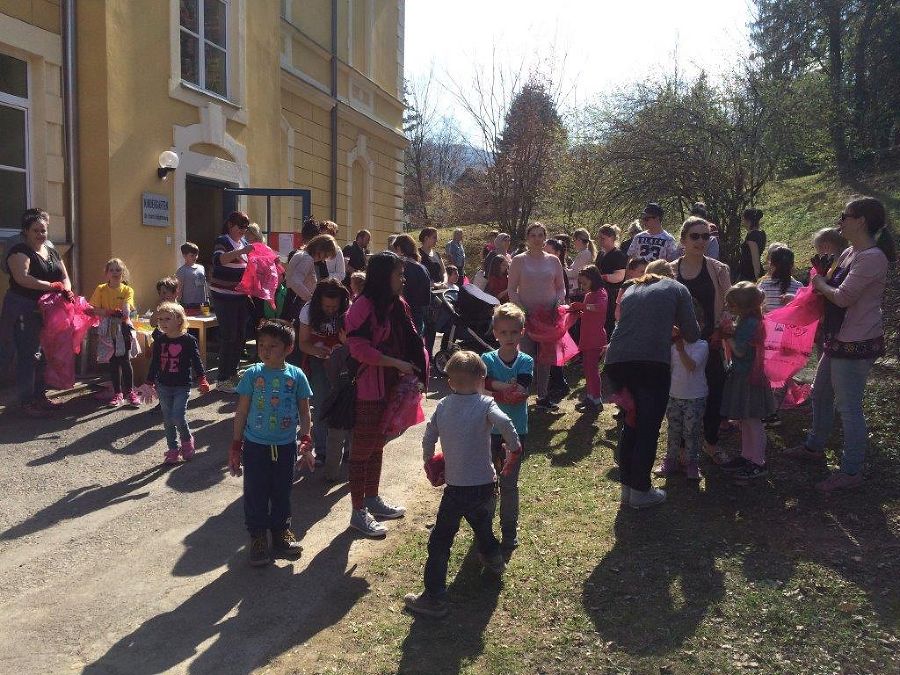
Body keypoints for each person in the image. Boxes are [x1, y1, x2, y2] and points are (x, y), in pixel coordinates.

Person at [786, 197, 896, 493]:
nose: (840, 221)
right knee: (820, 392)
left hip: (856, 342)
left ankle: (851, 470)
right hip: (838, 339)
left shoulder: (872, 257)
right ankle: (815, 446)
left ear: (860, 221)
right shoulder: (849, 251)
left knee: (849, 408)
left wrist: (820, 284)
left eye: (844, 216)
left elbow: (844, 296)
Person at [405, 350, 519, 618]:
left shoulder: (443, 406)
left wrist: (427, 461)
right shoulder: (486, 405)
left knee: (441, 541)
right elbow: (507, 423)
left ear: (450, 382)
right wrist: (513, 448)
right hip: (484, 485)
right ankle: (493, 559)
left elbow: (428, 437)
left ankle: (434, 597)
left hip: (456, 488)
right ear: (483, 378)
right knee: (482, 525)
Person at [344, 252, 428, 537]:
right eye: (398, 274)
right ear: (383, 276)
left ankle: (372, 499)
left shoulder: (396, 304)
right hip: (369, 389)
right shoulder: (362, 306)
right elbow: (359, 349)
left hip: (392, 386)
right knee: (362, 451)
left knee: (378, 445)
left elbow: (411, 337)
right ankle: (357, 512)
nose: (403, 280)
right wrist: (395, 363)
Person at [604, 261, 700, 509]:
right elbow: (692, 333)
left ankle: (627, 487)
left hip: (617, 361)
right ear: (670, 275)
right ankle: (640, 490)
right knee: (648, 427)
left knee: (631, 423)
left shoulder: (632, 289)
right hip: (650, 364)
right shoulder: (677, 288)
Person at [228, 319, 314, 566]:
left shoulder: (296, 376)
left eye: (273, 345)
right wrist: (236, 444)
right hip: (256, 446)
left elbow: (305, 412)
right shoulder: (253, 374)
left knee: (282, 492)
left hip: (285, 446)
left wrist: (306, 437)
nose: (265, 350)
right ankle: (257, 538)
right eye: (261, 344)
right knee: (255, 493)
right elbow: (241, 412)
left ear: (288, 348)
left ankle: (280, 534)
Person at [668, 217, 734, 465]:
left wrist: (721, 330)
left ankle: (711, 443)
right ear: (683, 239)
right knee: (679, 396)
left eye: (706, 237)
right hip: (678, 342)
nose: (701, 241)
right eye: (695, 236)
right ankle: (682, 448)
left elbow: (729, 305)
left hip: (711, 341)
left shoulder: (719, 269)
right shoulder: (669, 270)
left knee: (715, 391)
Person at [0, 208, 72, 417]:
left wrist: (65, 289)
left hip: (46, 309)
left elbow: (64, 275)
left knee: (43, 354)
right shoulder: (19, 250)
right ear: (26, 231)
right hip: (22, 308)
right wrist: (53, 287)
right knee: (27, 355)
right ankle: (26, 401)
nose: (41, 234)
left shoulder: (50, 249)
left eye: (44, 230)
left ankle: (40, 396)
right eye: (36, 231)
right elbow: (22, 278)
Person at [482, 303, 533, 552]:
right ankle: (485, 528)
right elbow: (484, 384)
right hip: (490, 431)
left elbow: (523, 388)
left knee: (509, 484)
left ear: (522, 332)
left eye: (514, 332)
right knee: (489, 481)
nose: (509, 337)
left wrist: (501, 389)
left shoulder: (526, 360)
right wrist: (504, 388)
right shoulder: (487, 359)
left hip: (515, 431)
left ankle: (509, 530)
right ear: (495, 334)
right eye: (504, 333)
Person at [718, 282, 775, 481]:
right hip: (744, 375)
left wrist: (727, 335)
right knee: (745, 420)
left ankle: (758, 461)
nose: (728, 308)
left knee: (752, 420)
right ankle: (747, 456)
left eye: (732, 306)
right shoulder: (748, 320)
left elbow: (740, 350)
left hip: (749, 377)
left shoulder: (750, 323)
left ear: (744, 307)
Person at [507, 222, 566, 411]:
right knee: (527, 357)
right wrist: (523, 310)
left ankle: (542, 396)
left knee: (545, 358)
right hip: (527, 317)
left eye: (541, 235)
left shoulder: (553, 260)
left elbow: (560, 287)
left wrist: (557, 302)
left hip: (548, 317)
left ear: (545, 237)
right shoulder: (518, 260)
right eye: (533, 235)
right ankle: (522, 395)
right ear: (527, 237)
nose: (537, 239)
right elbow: (511, 290)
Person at [297, 278, 352, 481]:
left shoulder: (349, 309)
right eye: (326, 306)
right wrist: (319, 351)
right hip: (317, 360)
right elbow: (303, 343)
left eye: (334, 307)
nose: (330, 310)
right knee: (320, 405)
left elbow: (353, 339)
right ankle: (322, 451)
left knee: (343, 404)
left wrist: (343, 346)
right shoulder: (307, 310)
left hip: (342, 360)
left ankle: (346, 449)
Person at [144, 302, 210, 463]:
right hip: (164, 385)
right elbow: (155, 363)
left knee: (178, 416)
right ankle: (173, 450)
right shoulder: (159, 341)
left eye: (167, 319)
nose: (163, 323)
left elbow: (196, 361)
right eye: (160, 319)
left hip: (182, 386)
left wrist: (202, 379)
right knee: (167, 419)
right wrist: (149, 382)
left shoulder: (188, 340)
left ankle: (187, 442)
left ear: (179, 320)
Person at [654, 303, 709, 481]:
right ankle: (671, 460)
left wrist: (680, 349)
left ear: (699, 326)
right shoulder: (672, 346)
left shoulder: (702, 345)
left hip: (695, 397)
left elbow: (691, 366)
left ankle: (692, 463)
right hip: (674, 395)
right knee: (673, 430)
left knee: (691, 432)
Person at [209, 211, 253, 392]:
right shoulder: (223, 241)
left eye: (245, 227)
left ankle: (233, 373)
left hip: (240, 296)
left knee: (240, 336)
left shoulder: (244, 242)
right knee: (229, 336)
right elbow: (219, 260)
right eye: (240, 226)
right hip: (223, 296)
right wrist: (242, 252)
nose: (243, 230)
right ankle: (222, 378)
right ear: (230, 225)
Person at [90, 258, 140, 409]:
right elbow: (93, 309)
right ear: (107, 273)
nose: (115, 273)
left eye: (118, 270)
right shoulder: (100, 289)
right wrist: (108, 312)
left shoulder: (127, 290)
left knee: (125, 360)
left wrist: (124, 311)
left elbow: (128, 307)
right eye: (112, 270)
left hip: (123, 327)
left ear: (123, 273)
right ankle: (117, 393)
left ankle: (130, 391)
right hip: (107, 328)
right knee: (112, 361)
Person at [569, 265, 608, 411]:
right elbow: (589, 310)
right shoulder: (589, 294)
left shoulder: (600, 292)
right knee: (587, 368)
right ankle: (590, 396)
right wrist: (580, 312)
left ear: (593, 279)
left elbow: (600, 307)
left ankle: (597, 400)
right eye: (581, 283)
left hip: (595, 338)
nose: (582, 286)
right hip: (586, 337)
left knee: (592, 369)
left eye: (585, 283)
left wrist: (583, 307)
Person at [285, 234, 339, 320]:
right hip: (298, 302)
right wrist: (311, 299)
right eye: (324, 256)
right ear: (320, 248)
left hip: (294, 299)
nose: (323, 260)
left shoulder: (301, 254)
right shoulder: (307, 259)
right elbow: (295, 282)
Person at [392, 234, 432, 337]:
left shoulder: (402, 267)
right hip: (420, 314)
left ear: (399, 248)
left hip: (406, 314)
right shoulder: (422, 268)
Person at [595, 224, 628, 340]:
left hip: (612, 295)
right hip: (599, 293)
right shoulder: (600, 254)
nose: (600, 241)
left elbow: (619, 276)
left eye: (603, 238)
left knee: (609, 323)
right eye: (599, 238)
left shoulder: (618, 255)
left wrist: (601, 277)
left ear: (612, 238)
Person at [418, 227, 446, 354]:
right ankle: (422, 353)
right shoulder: (418, 254)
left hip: (439, 294)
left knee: (433, 326)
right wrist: (434, 284)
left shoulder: (436, 254)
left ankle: (430, 353)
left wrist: (444, 282)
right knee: (425, 325)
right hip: (426, 294)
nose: (436, 240)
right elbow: (419, 275)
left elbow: (444, 271)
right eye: (434, 237)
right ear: (426, 238)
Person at [759, 245, 802, 313]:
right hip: (790, 323)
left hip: (769, 323)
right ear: (792, 265)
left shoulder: (763, 285)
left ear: (771, 265)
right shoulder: (799, 287)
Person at [176, 242, 209, 309]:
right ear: (184, 256)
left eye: (196, 255)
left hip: (202, 302)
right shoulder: (182, 271)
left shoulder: (201, 268)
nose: (195, 257)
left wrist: (207, 299)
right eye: (192, 255)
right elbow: (179, 289)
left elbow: (204, 284)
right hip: (188, 304)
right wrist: (177, 303)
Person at [737, 208, 766, 282]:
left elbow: (755, 258)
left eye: (743, 219)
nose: (742, 222)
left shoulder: (752, 236)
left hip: (749, 274)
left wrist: (757, 279)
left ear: (748, 221)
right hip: (746, 272)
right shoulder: (761, 234)